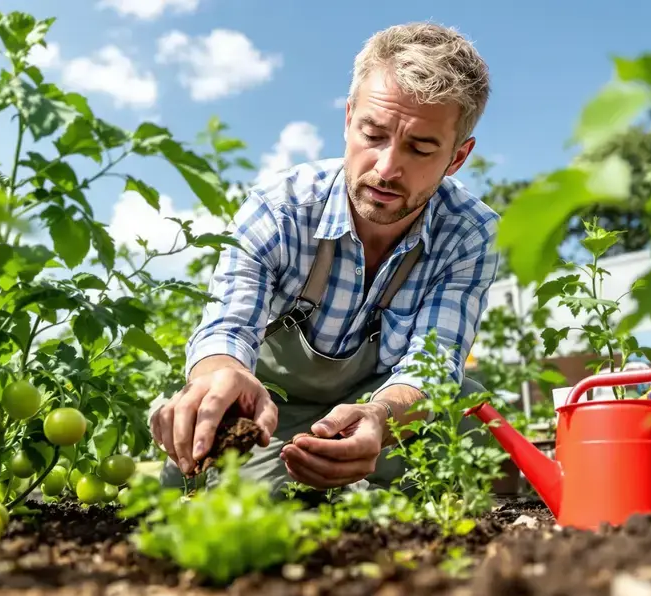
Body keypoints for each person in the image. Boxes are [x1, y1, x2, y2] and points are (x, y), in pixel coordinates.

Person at [149, 21, 515, 497]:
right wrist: (225, 375)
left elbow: (434, 362)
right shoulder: (280, 209)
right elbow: (227, 326)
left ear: (457, 157)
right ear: (348, 120)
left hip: (375, 411)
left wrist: (378, 419)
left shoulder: (467, 234)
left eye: (420, 148)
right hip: (271, 415)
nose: (386, 168)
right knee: (260, 499)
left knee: (467, 411)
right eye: (373, 135)